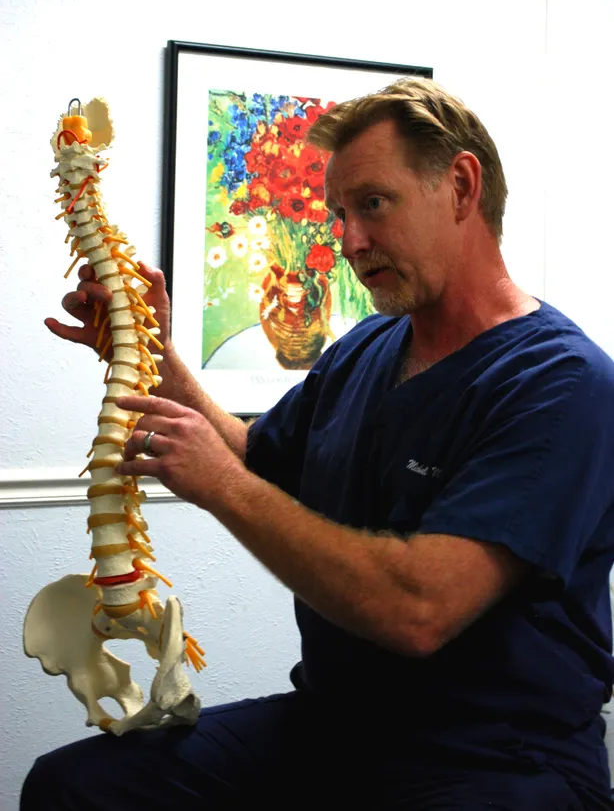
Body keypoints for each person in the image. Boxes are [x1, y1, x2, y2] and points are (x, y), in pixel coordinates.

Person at [22, 78, 614, 810]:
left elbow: (418, 608)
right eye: (338, 213)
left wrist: (223, 487)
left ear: (461, 186)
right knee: (72, 786)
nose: (349, 241)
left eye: (372, 204)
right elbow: (255, 455)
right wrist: (152, 357)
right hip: (336, 727)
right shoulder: (369, 345)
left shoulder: (562, 384)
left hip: (492, 757)